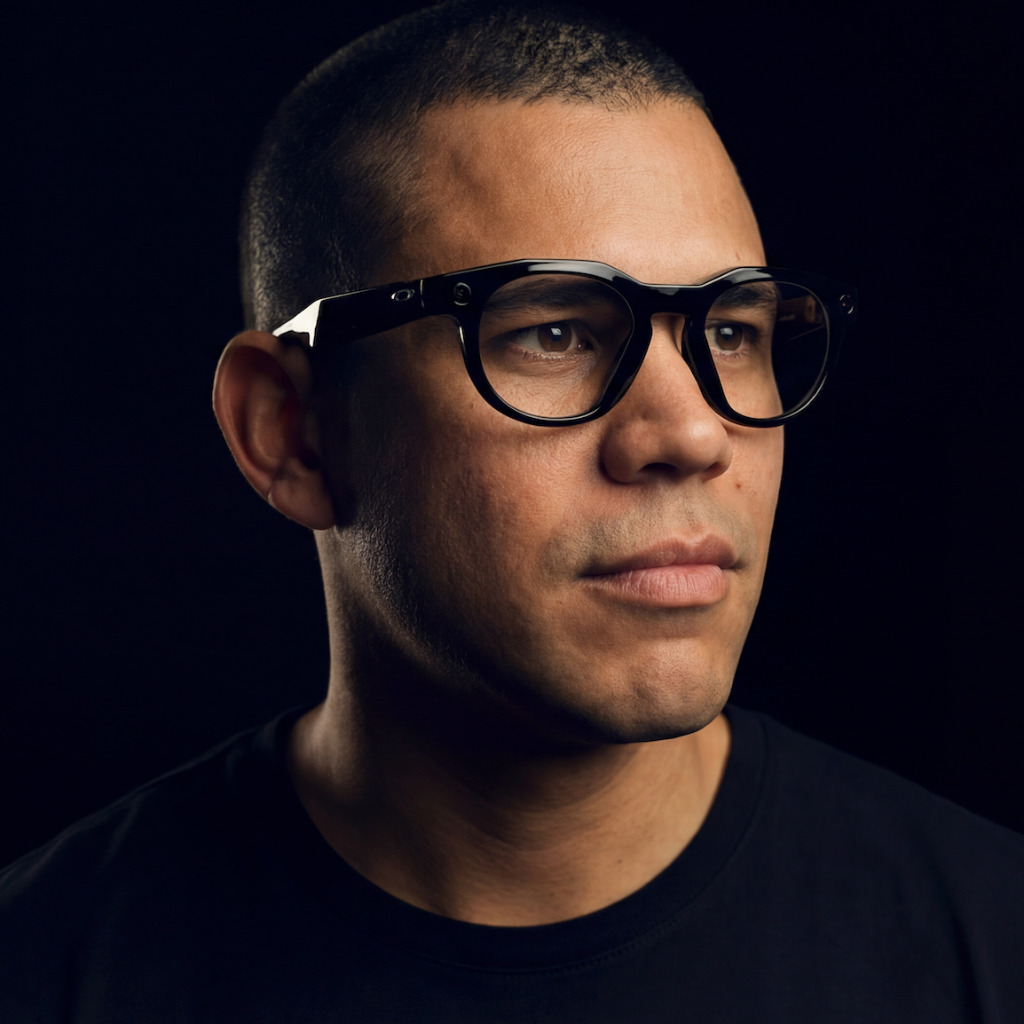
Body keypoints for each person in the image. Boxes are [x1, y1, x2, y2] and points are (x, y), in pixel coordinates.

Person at [2, 2, 1021, 1020]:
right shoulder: (48, 967)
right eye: (554, 333)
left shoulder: (990, 942)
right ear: (292, 432)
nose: (692, 434)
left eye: (730, 331)